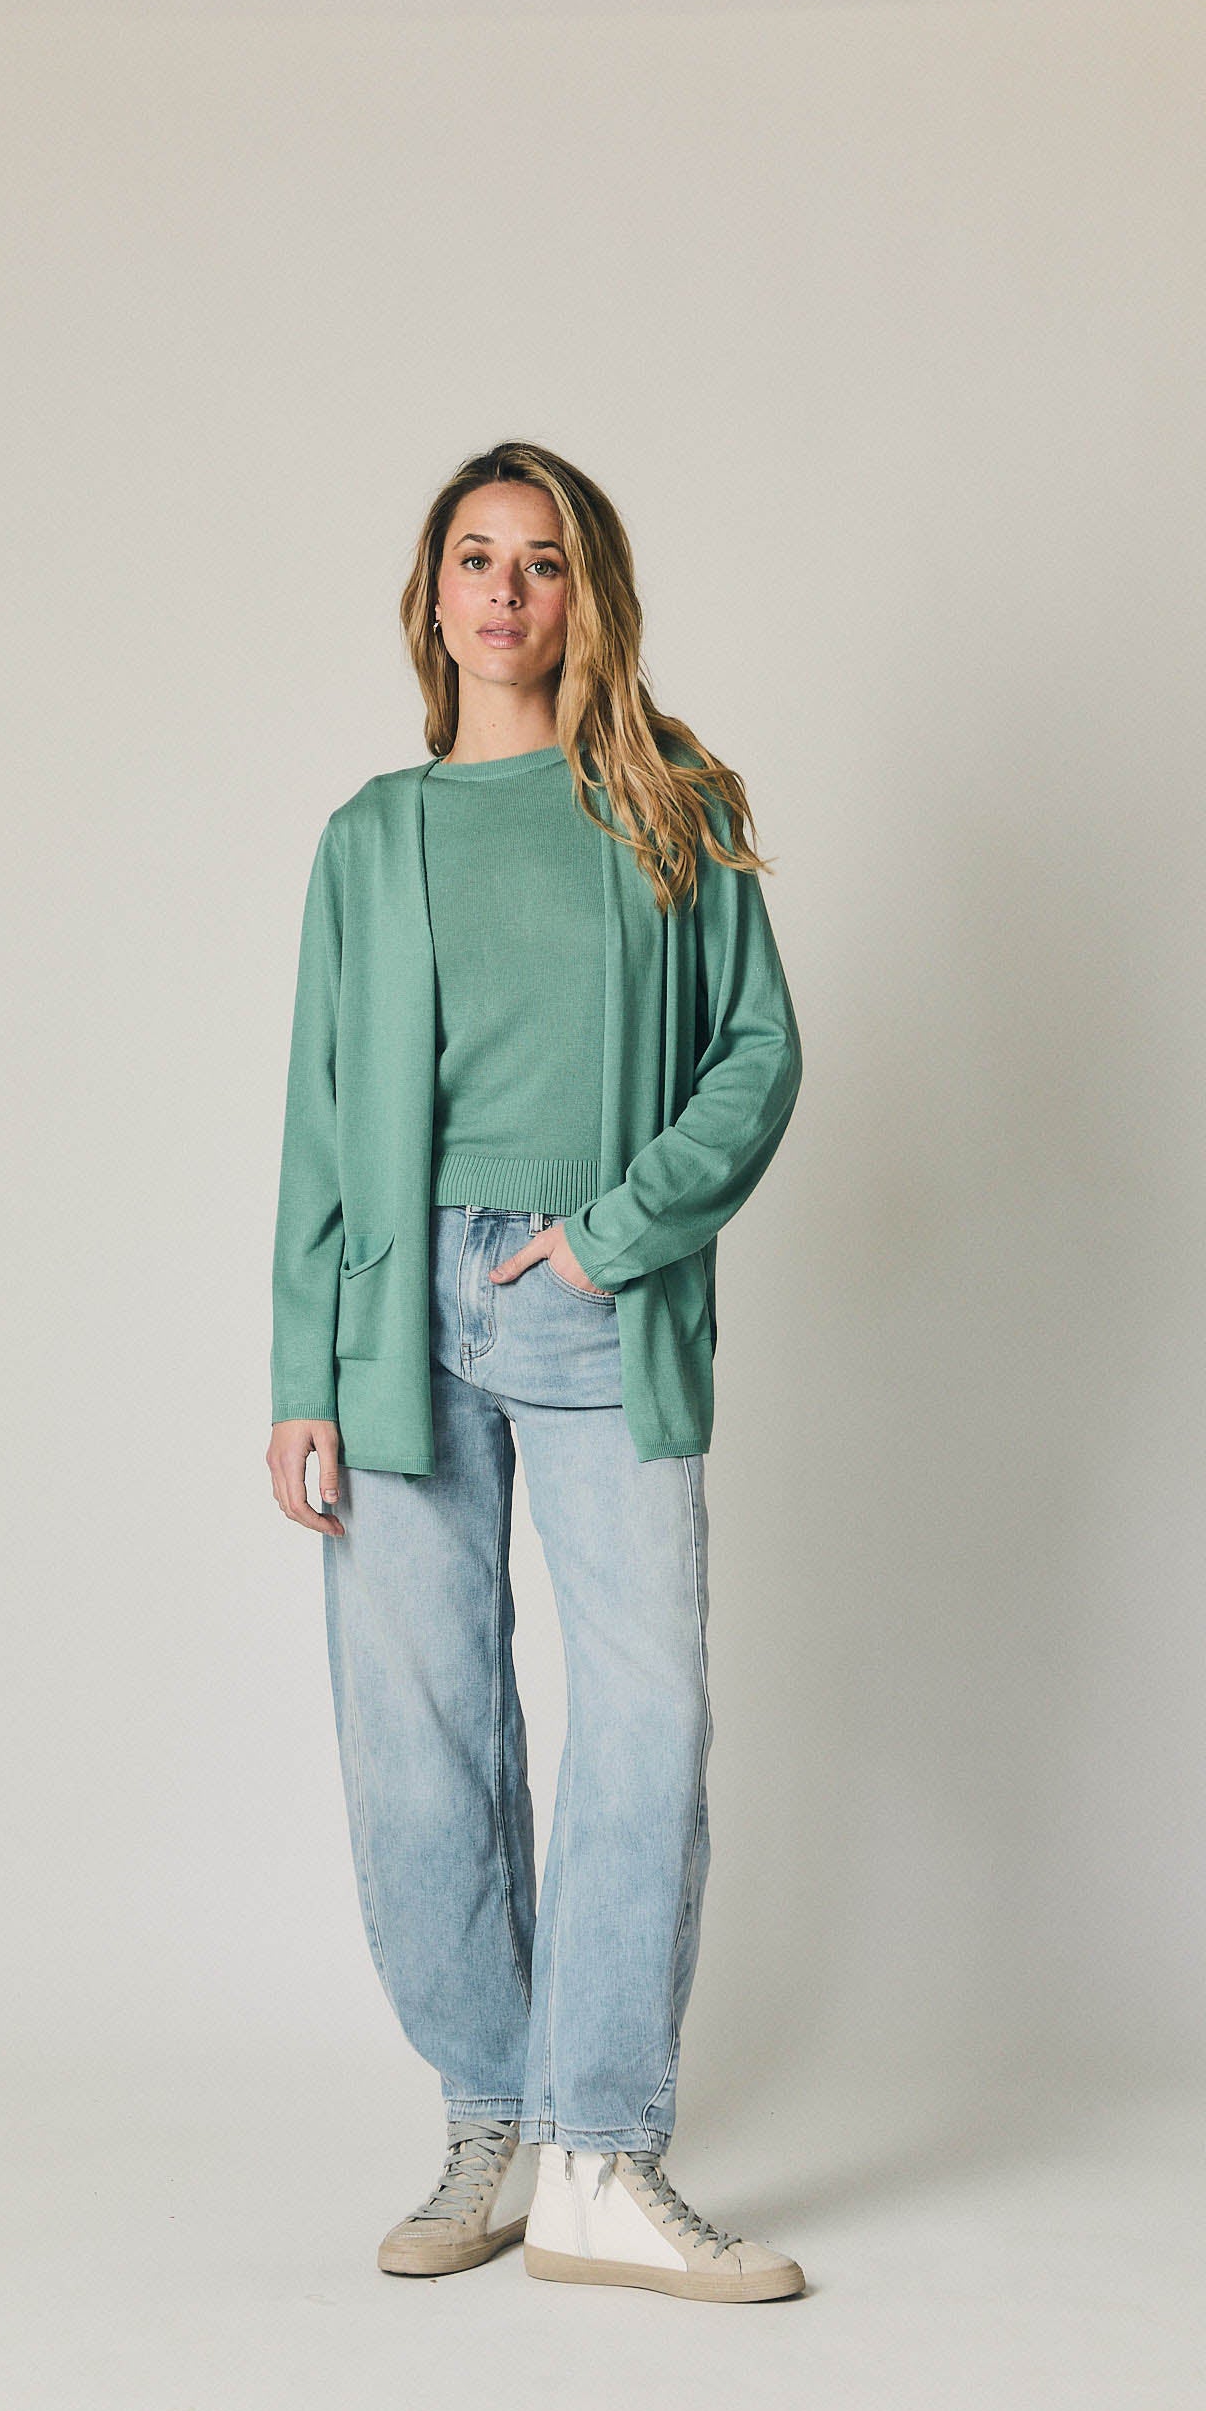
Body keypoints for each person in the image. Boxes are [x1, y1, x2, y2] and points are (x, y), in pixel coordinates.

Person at [266, 441, 806, 2303]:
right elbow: (323, 1120)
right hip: (399, 1312)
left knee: (645, 1719)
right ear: (432, 598)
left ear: (590, 595)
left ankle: (601, 2151)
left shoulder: (671, 803)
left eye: (544, 558)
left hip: (594, 1297)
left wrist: (615, 1230)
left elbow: (756, 1051)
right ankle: (492, 2115)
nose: (506, 588)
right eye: (475, 557)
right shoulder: (372, 839)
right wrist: (303, 1369)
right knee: (418, 1739)